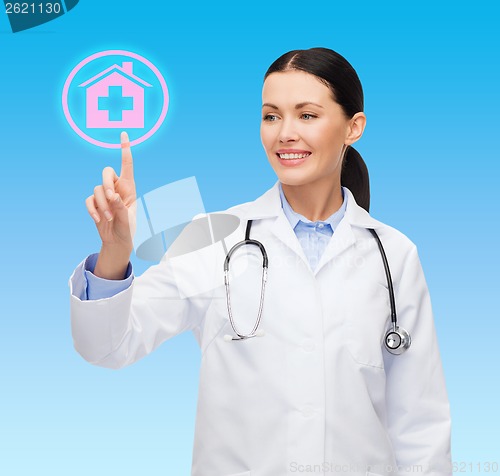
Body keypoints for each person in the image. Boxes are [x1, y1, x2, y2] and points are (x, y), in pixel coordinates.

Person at [69, 48, 452, 476]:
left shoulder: (393, 254)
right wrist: (116, 253)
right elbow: (107, 347)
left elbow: (420, 424)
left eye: (307, 115)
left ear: (353, 127)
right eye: (271, 116)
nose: (284, 133)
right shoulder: (212, 235)